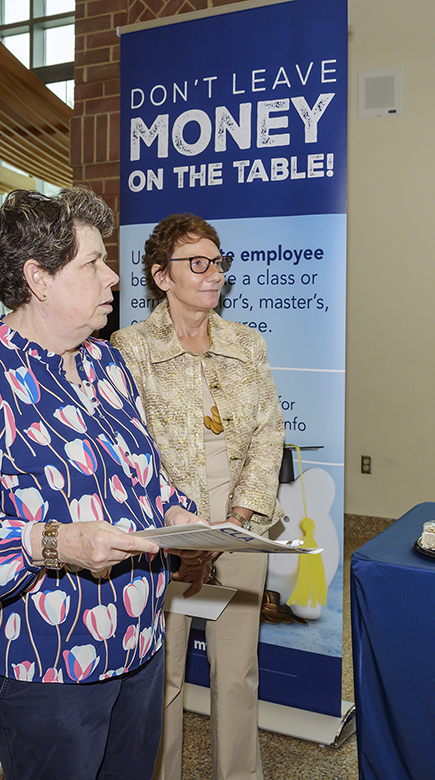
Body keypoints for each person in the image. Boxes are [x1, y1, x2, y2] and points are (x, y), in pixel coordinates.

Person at [0, 188, 205, 780]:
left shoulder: (106, 364)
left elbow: (142, 476)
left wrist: (179, 517)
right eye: (92, 263)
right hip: (44, 665)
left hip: (138, 641)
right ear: (38, 278)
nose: (113, 276)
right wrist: (56, 544)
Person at [112, 213, 284, 780]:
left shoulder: (246, 343)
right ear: (162, 276)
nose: (214, 274)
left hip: (240, 529)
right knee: (163, 678)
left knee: (237, 674)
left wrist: (238, 518)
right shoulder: (129, 349)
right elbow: (127, 447)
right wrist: (183, 535)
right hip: (163, 540)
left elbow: (268, 432)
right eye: (197, 263)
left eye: (218, 262)